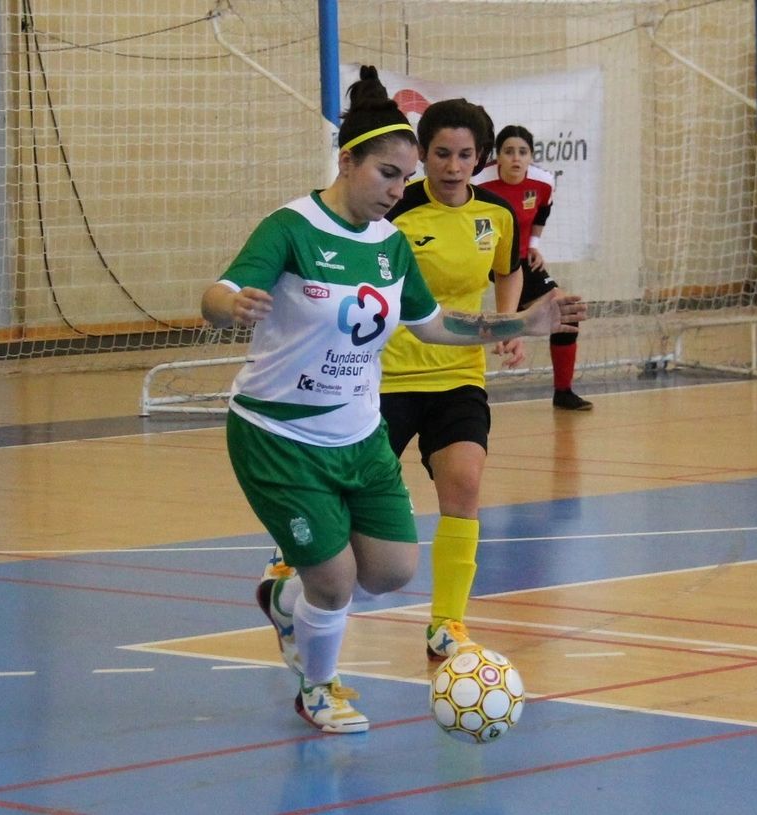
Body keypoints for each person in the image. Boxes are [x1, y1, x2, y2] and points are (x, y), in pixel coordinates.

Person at [203, 66, 583, 734]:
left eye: (402, 178)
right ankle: (317, 687)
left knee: (390, 569)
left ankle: (284, 598)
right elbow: (218, 292)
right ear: (347, 161)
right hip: (280, 434)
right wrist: (230, 305)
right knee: (336, 581)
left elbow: (435, 323)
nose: (395, 189)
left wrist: (524, 322)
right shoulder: (291, 228)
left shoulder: (388, 244)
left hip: (357, 436)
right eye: (385, 173)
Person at [379, 97, 525, 663]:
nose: (452, 165)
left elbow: (506, 271)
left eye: (465, 155)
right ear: (422, 154)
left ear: (480, 158)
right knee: (356, 493)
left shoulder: (497, 216)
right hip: (386, 377)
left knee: (464, 483)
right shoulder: (394, 211)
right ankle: (293, 563)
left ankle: (447, 623)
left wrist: (508, 325)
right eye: (441, 153)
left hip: (460, 373)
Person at [475, 125, 593, 410]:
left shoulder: (543, 181)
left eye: (523, 152)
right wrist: (487, 256)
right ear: (497, 157)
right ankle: (510, 330)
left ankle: (563, 392)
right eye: (509, 152)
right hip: (482, 252)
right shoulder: (479, 182)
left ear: (531, 156)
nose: (516, 158)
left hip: (518, 255)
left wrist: (534, 244)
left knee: (565, 311)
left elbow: (542, 211)